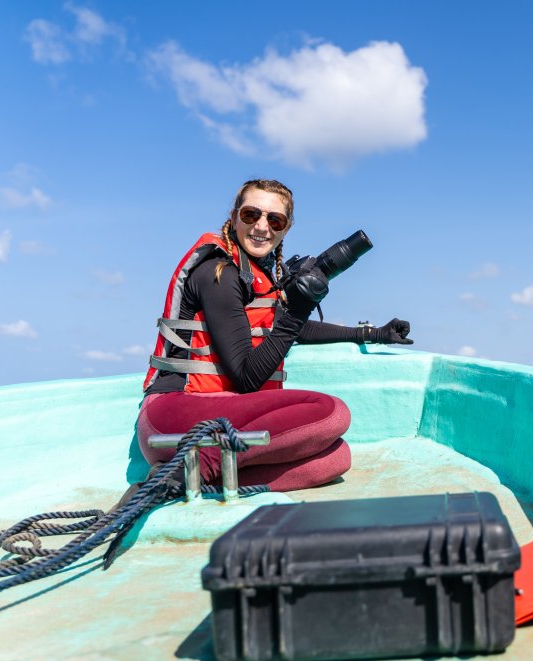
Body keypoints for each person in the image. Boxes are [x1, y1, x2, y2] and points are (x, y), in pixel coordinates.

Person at [137, 178, 412, 491]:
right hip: (175, 414)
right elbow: (248, 377)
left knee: (336, 459)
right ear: (234, 215)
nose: (261, 227)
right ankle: (197, 467)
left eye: (275, 219)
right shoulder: (219, 273)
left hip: (217, 415)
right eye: (251, 215)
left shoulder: (252, 273)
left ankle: (189, 478)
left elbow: (286, 330)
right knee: (332, 413)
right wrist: (298, 309)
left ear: (286, 227)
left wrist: (370, 333)